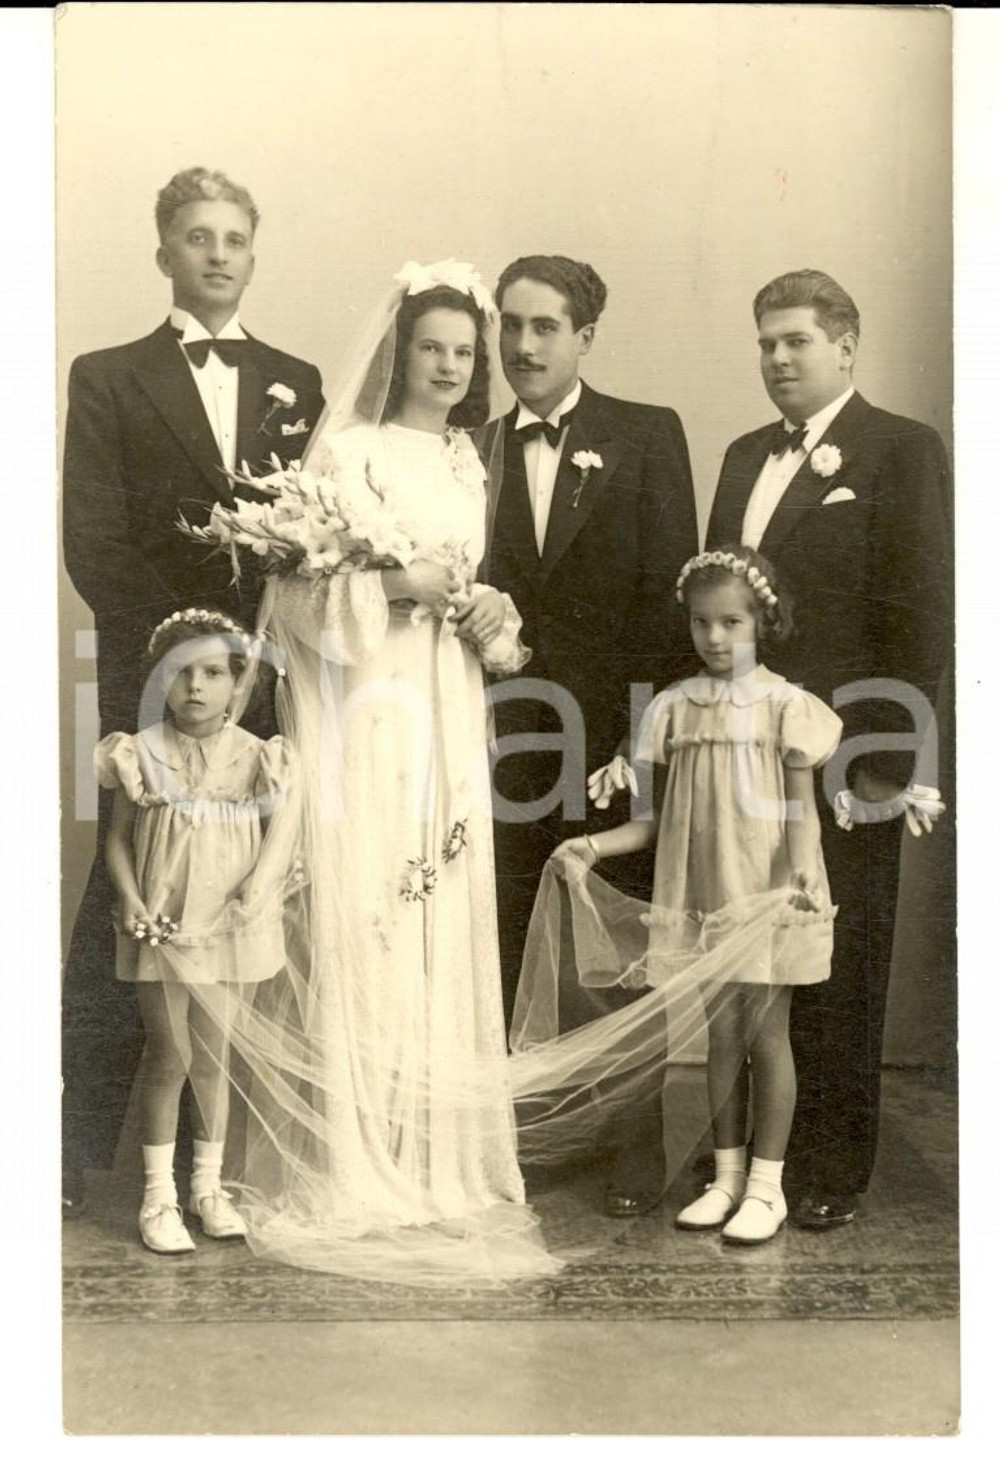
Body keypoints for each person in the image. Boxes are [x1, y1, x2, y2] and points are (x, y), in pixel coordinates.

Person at [219, 261, 558, 1283]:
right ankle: (355, 1152)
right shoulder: (352, 451)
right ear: (398, 353)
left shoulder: (467, 460)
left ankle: (435, 1153)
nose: (449, 366)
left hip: (445, 696)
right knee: (366, 894)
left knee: (437, 898)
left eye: (464, 351)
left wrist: (487, 606)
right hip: (368, 700)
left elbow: (474, 580)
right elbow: (297, 604)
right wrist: (399, 584)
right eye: (430, 348)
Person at [61, 167, 324, 1210]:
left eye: (233, 238)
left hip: (259, 678)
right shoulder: (108, 376)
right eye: (196, 237)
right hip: (153, 676)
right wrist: (186, 661)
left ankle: (213, 1161)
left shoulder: (297, 380)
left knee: (239, 882)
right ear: (164, 251)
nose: (217, 254)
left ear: (253, 253)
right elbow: (94, 541)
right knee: (130, 885)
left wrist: (251, 663)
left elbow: (307, 542)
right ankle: (76, 1147)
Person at [706, 269, 951, 1229]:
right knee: (750, 957)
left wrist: (882, 768)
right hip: (743, 753)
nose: (777, 359)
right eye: (766, 343)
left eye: (796, 341)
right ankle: (748, 1159)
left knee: (838, 961)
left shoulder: (901, 449)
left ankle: (829, 1165)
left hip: (848, 758)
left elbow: (922, 615)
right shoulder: (742, 456)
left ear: (846, 346)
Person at [486, 254, 698, 1216]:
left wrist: (638, 741)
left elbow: (669, 606)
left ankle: (631, 1149)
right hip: (501, 741)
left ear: (585, 338)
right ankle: (516, 1140)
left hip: (612, 741)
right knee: (504, 932)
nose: (522, 345)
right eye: (510, 324)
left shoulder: (647, 434)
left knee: (619, 945)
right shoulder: (472, 446)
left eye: (545, 326)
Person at [554, 548, 842, 1244]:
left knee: (766, 1035)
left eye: (731, 622)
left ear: (763, 621)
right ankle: (726, 1177)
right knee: (722, 1036)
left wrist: (804, 871)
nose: (714, 637)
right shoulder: (672, 708)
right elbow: (652, 822)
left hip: (767, 892)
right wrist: (592, 845)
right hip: (703, 895)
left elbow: (802, 813)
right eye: (700, 622)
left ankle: (767, 1187)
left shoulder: (786, 707)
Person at [95, 609, 297, 1254]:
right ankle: (159, 1198)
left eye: (213, 673)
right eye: (181, 673)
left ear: (238, 684)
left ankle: (209, 1189)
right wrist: (129, 898)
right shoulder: (140, 751)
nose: (195, 687)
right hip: (160, 920)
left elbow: (276, 844)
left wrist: (254, 894)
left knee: (214, 1057)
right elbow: (119, 840)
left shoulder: (258, 757)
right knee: (170, 1053)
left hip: (227, 921)